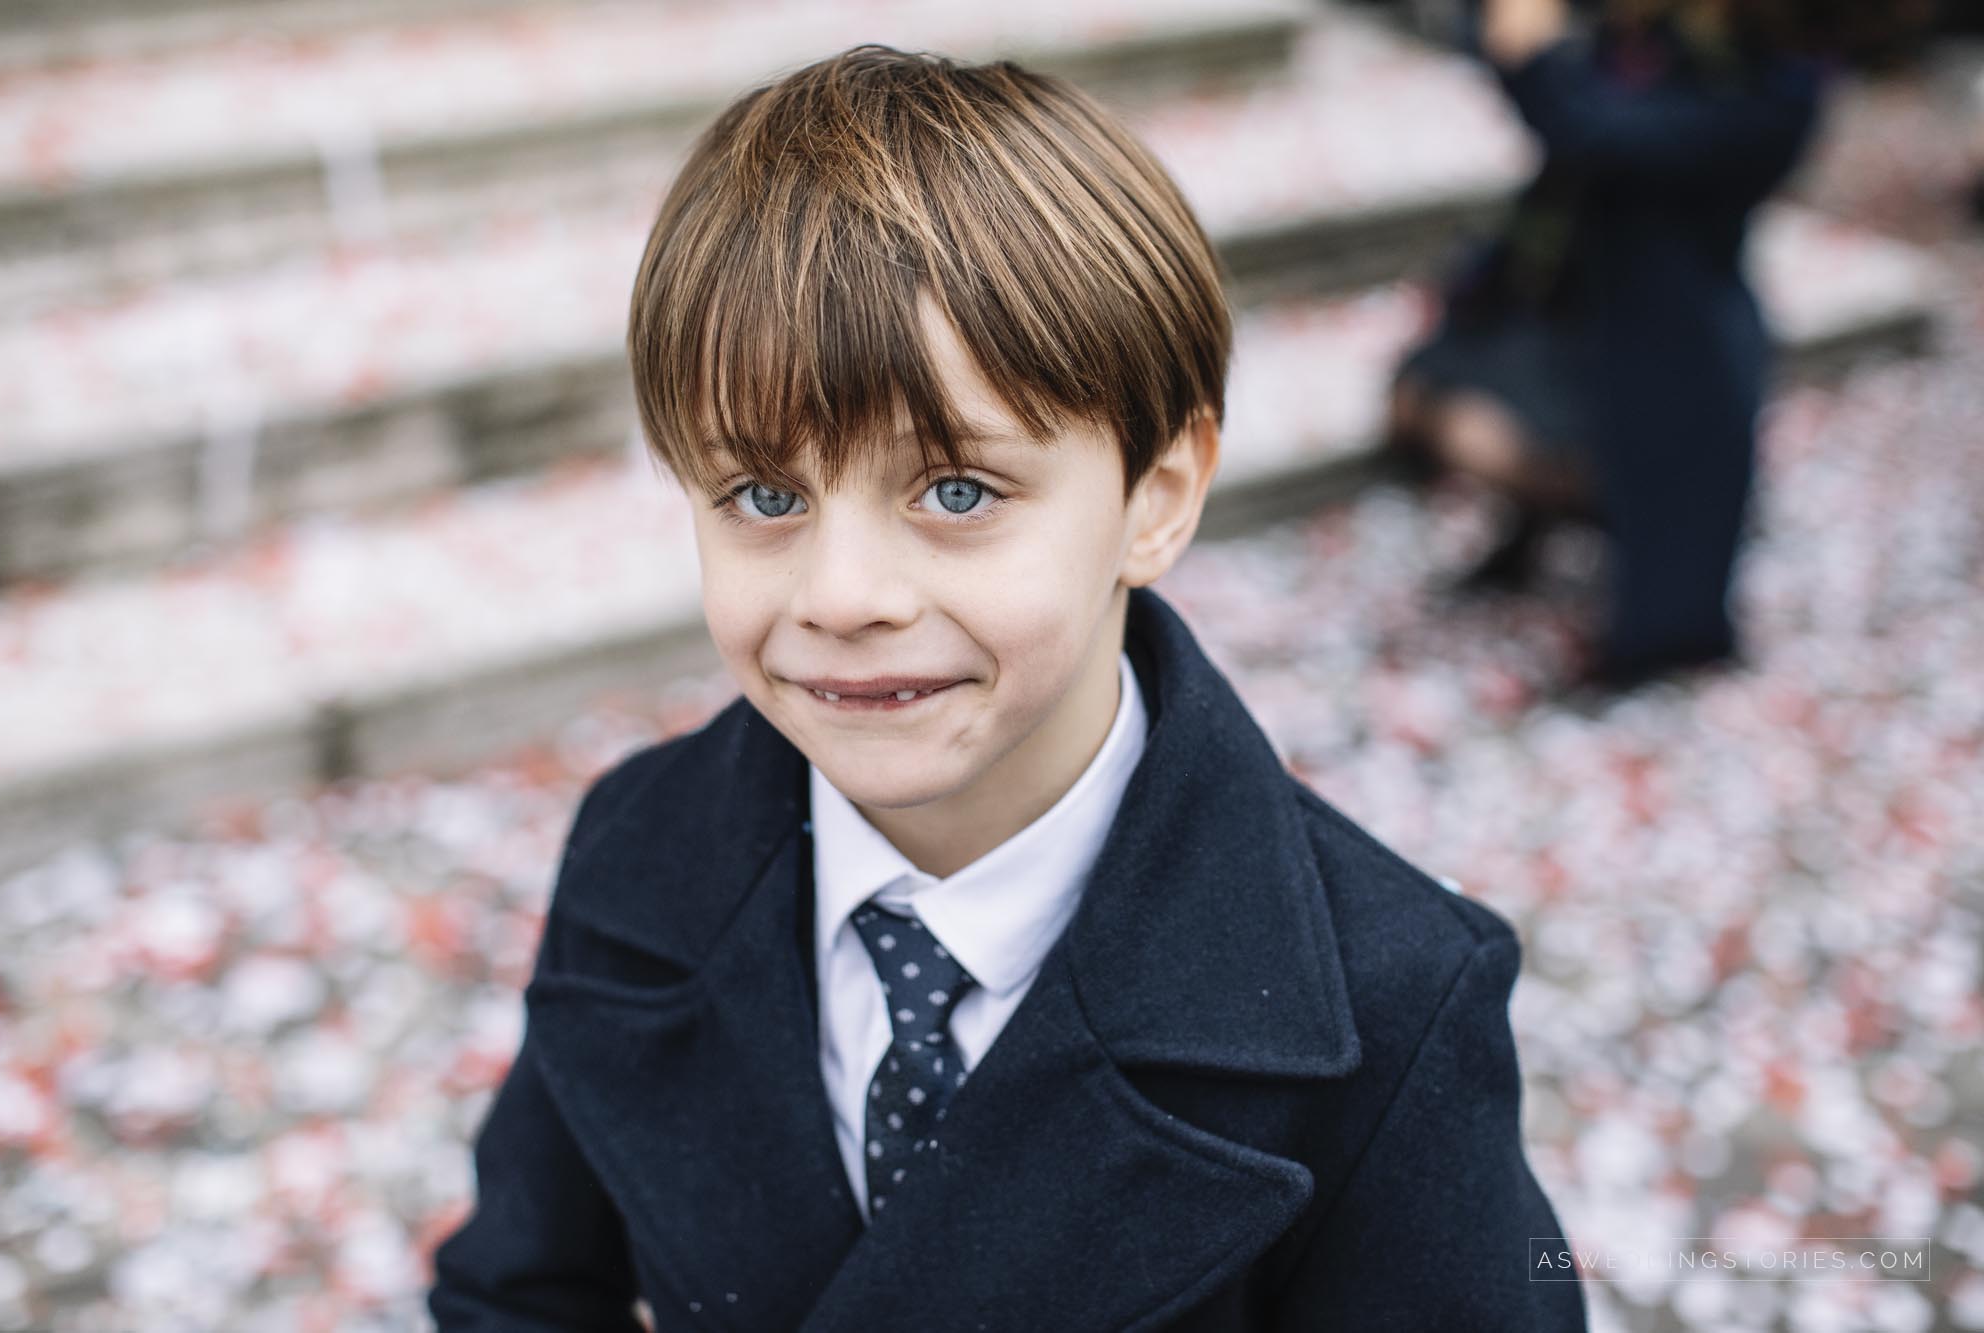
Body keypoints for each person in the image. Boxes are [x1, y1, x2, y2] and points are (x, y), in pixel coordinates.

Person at [426, 45, 1586, 1331]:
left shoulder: (1386, 1008)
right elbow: (516, 1290)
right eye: (764, 496)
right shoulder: (642, 855)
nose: (840, 594)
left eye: (956, 491)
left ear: (1158, 497)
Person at [1385, 0, 1835, 689]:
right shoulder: (1637, 44)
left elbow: (1595, 132)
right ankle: (1580, 505)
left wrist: (1533, 58)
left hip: (1679, 355)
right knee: (1431, 401)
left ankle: (1608, 515)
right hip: (1574, 321)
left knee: (1638, 496)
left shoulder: (1774, 84)